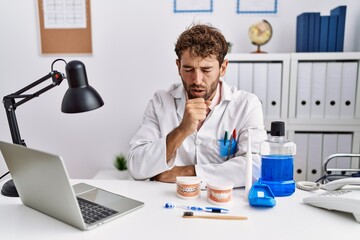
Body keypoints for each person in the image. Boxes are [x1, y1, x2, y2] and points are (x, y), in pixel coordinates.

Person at [127, 24, 267, 187]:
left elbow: (256, 167)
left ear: (223, 68)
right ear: (178, 66)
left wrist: (186, 173)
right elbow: (136, 166)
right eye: (188, 69)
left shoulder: (246, 105)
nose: (197, 80)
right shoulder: (161, 102)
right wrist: (182, 130)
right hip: (168, 202)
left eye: (206, 70)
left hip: (224, 203)